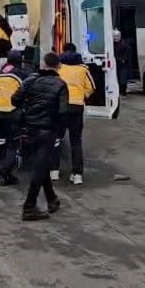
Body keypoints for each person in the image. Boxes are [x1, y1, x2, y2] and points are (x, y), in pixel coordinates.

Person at [11, 52, 68, 221]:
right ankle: (29, 207)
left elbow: (15, 100)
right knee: (40, 167)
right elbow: (63, 112)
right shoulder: (60, 84)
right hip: (48, 130)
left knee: (41, 164)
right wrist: (59, 131)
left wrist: (29, 108)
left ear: (43, 65)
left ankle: (52, 199)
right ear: (58, 66)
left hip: (30, 128)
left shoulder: (31, 79)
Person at [53, 43, 95, 185]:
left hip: (61, 106)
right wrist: (83, 95)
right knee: (76, 141)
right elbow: (91, 87)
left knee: (56, 138)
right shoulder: (83, 69)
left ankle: (54, 171)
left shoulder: (59, 68)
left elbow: (53, 85)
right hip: (77, 107)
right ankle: (77, 174)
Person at [0, 50, 30, 186]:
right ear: (20, 61)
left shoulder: (0, 73)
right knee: (13, 143)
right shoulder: (20, 74)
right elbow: (27, 90)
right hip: (10, 112)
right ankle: (6, 175)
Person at [113, 29, 132, 97]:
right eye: (114, 36)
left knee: (123, 79)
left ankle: (123, 92)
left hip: (123, 64)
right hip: (116, 64)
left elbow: (128, 53)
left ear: (120, 36)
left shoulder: (124, 44)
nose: (115, 37)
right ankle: (120, 92)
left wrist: (123, 59)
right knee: (117, 78)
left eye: (117, 36)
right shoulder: (112, 44)